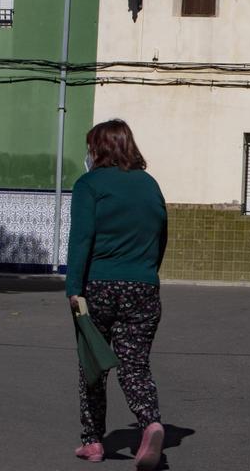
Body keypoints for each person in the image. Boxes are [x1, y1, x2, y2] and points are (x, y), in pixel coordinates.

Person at [66, 119, 168, 469]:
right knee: (135, 366)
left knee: (93, 364)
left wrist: (73, 289)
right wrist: (145, 274)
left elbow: (81, 241)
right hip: (143, 287)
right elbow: (161, 238)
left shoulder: (89, 185)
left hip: (99, 287)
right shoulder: (150, 185)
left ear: (99, 149)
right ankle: (151, 423)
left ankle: (93, 442)